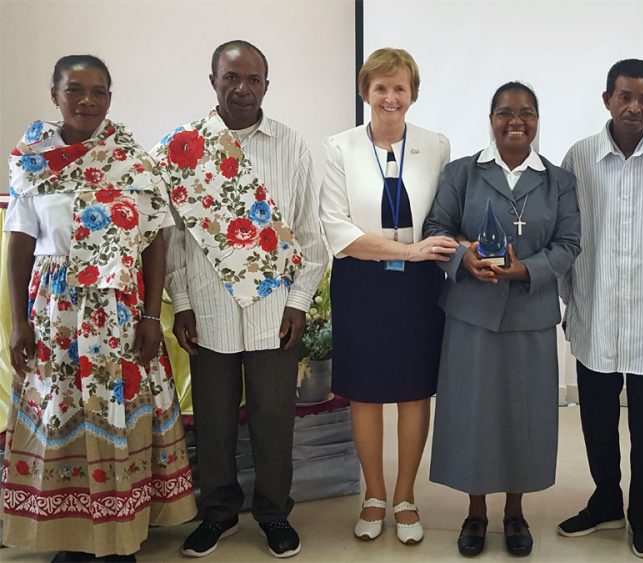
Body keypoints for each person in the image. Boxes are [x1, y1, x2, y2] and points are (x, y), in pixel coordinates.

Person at [2, 55, 196, 562]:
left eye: (99, 91)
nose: (87, 100)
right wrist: (20, 323)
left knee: (120, 413)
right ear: (55, 94)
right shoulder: (32, 162)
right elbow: (20, 244)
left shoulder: (132, 160)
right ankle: (70, 535)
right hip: (57, 314)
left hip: (120, 313)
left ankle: (118, 537)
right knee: (59, 414)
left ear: (111, 97)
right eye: (75, 89)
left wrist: (154, 316)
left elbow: (154, 240)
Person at [152, 40, 326, 559]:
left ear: (267, 86)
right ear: (213, 81)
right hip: (208, 310)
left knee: (275, 416)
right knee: (213, 418)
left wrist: (298, 302)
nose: (242, 88)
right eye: (232, 78)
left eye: (253, 79)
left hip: (275, 311)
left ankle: (273, 512)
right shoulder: (182, 149)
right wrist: (180, 302)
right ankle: (220, 513)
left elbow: (309, 233)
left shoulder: (291, 146)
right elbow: (171, 237)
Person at [424, 81, 581, 557]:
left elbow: (569, 245)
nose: (517, 121)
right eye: (506, 112)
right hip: (471, 314)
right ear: (490, 119)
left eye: (527, 113)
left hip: (529, 316)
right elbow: (437, 229)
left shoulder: (559, 181)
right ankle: (476, 512)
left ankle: (515, 512)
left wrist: (525, 270)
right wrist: (465, 256)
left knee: (522, 416)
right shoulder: (462, 173)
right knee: (473, 414)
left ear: (538, 120)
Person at [318, 48, 456, 545]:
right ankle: (373, 495)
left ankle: (405, 496)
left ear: (412, 93)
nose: (390, 97)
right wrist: (408, 249)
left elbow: (444, 216)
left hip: (419, 284)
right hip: (361, 280)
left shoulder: (436, 145)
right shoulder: (340, 147)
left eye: (400, 88)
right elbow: (337, 228)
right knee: (366, 391)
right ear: (366, 93)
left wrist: (424, 252)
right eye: (381, 87)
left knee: (414, 389)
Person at [556, 59, 643, 559]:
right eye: (624, 96)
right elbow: (566, 235)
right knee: (595, 420)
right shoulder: (580, 158)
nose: (634, 107)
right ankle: (606, 500)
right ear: (607, 98)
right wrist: (573, 299)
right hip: (594, 317)